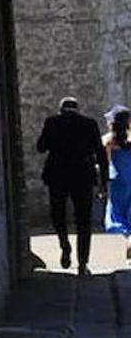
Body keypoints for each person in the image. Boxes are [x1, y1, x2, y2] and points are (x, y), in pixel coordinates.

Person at [36, 96, 108, 275]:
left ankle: (64, 243)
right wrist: (103, 181)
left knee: (57, 213)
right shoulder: (89, 124)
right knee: (84, 220)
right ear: (78, 108)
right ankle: (83, 263)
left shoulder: (52, 122)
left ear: (61, 109)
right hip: (82, 175)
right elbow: (100, 153)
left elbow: (41, 147)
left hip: (58, 174)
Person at [103, 105, 131, 260]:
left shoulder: (108, 141)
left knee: (117, 212)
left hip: (117, 179)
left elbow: (104, 163)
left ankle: (128, 237)